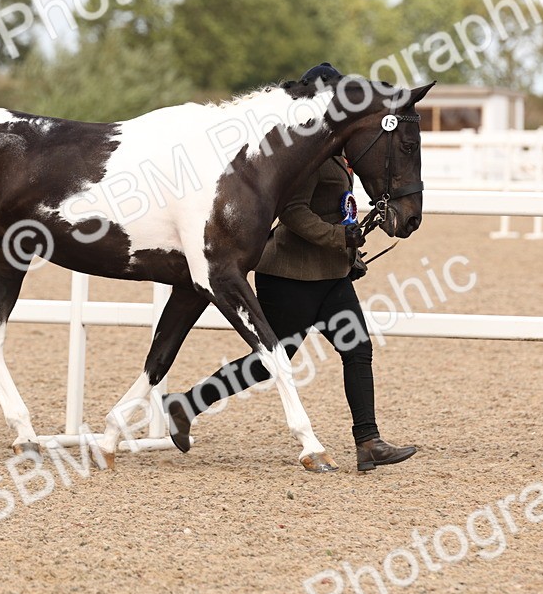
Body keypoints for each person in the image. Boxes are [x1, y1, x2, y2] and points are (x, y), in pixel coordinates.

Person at [165, 63, 416, 472]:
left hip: (331, 275)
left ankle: (368, 442)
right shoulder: (306, 154)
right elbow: (295, 213)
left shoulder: (335, 150)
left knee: (358, 350)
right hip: (291, 276)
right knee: (267, 363)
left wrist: (353, 240)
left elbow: (335, 208)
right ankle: (188, 403)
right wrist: (339, 238)